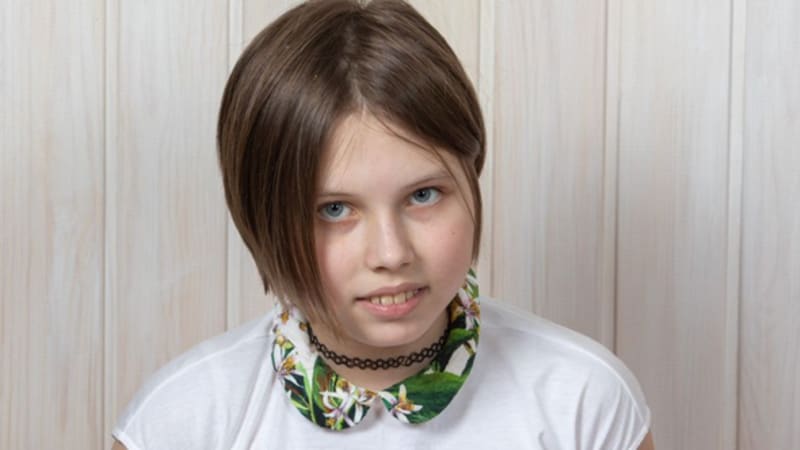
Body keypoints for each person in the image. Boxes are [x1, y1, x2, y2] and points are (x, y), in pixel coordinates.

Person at [112, 1, 655, 448]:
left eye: (423, 195)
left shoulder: (583, 401)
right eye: (334, 209)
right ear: (260, 216)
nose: (391, 253)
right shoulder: (179, 423)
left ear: (472, 176)